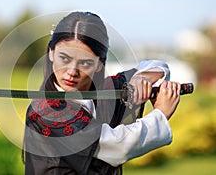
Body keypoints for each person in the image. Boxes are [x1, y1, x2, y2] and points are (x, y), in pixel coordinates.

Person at [23, 11, 180, 175]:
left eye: (85, 63)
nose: (71, 71)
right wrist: (160, 114)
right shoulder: (46, 112)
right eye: (65, 58)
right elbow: (117, 146)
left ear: (100, 64)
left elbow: (157, 66)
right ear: (51, 52)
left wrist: (141, 79)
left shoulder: (104, 91)